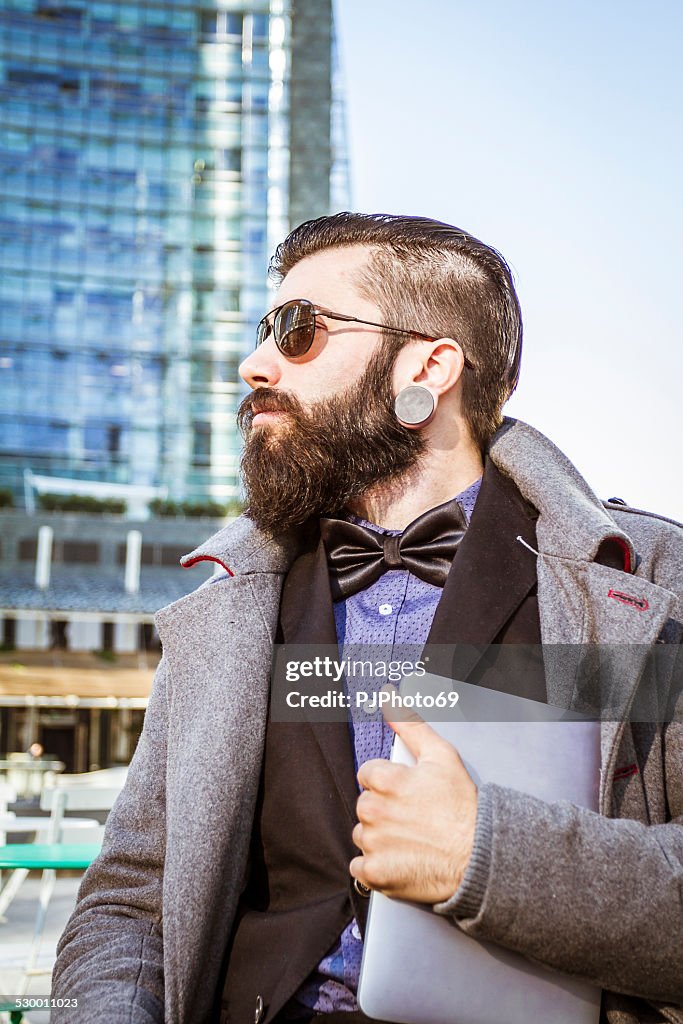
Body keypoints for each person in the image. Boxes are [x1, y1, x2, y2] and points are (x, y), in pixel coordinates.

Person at [51, 213, 683, 1024]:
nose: (253, 364)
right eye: (264, 330)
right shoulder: (230, 603)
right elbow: (128, 901)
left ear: (428, 363)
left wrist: (488, 856)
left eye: (297, 330)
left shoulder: (641, 582)